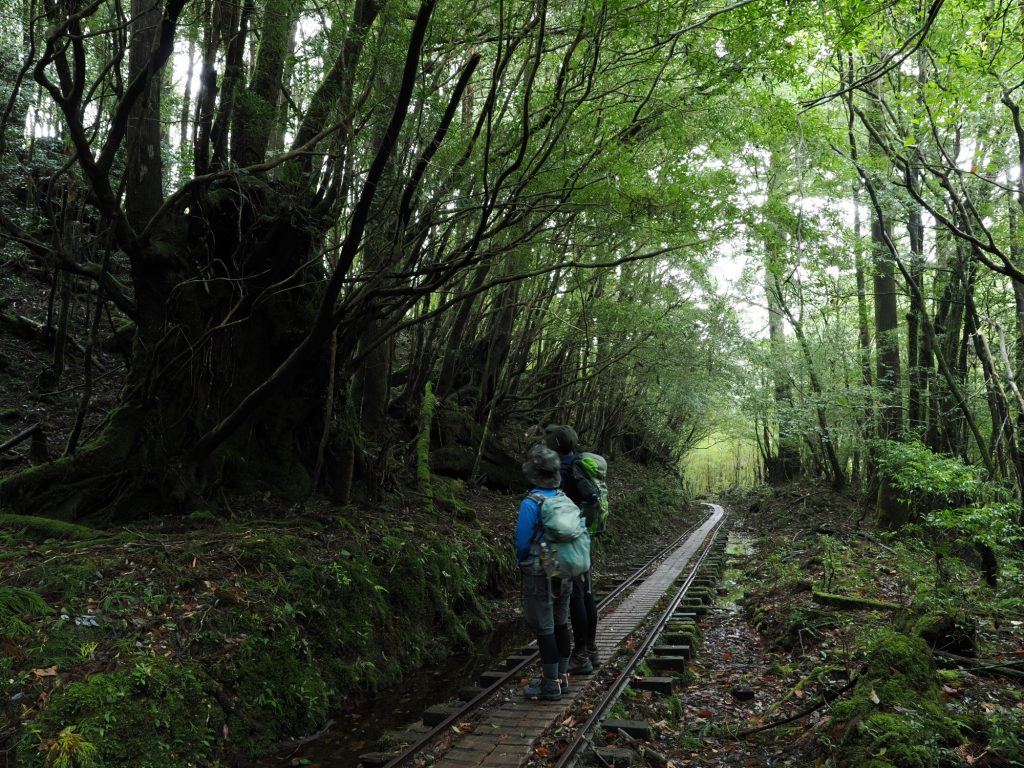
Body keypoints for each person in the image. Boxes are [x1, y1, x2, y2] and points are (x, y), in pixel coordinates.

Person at [515, 444, 574, 700]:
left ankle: (550, 684)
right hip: (566, 569)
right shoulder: (564, 499)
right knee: (561, 623)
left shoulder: (532, 502)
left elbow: (521, 542)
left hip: (540, 573)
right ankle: (562, 676)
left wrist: (523, 561)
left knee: (545, 627)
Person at [544, 424, 600, 674]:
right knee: (585, 592)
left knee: (575, 596)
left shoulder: (561, 470)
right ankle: (590, 649)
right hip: (582, 537)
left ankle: (579, 656)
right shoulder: (580, 464)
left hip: (565, 541)